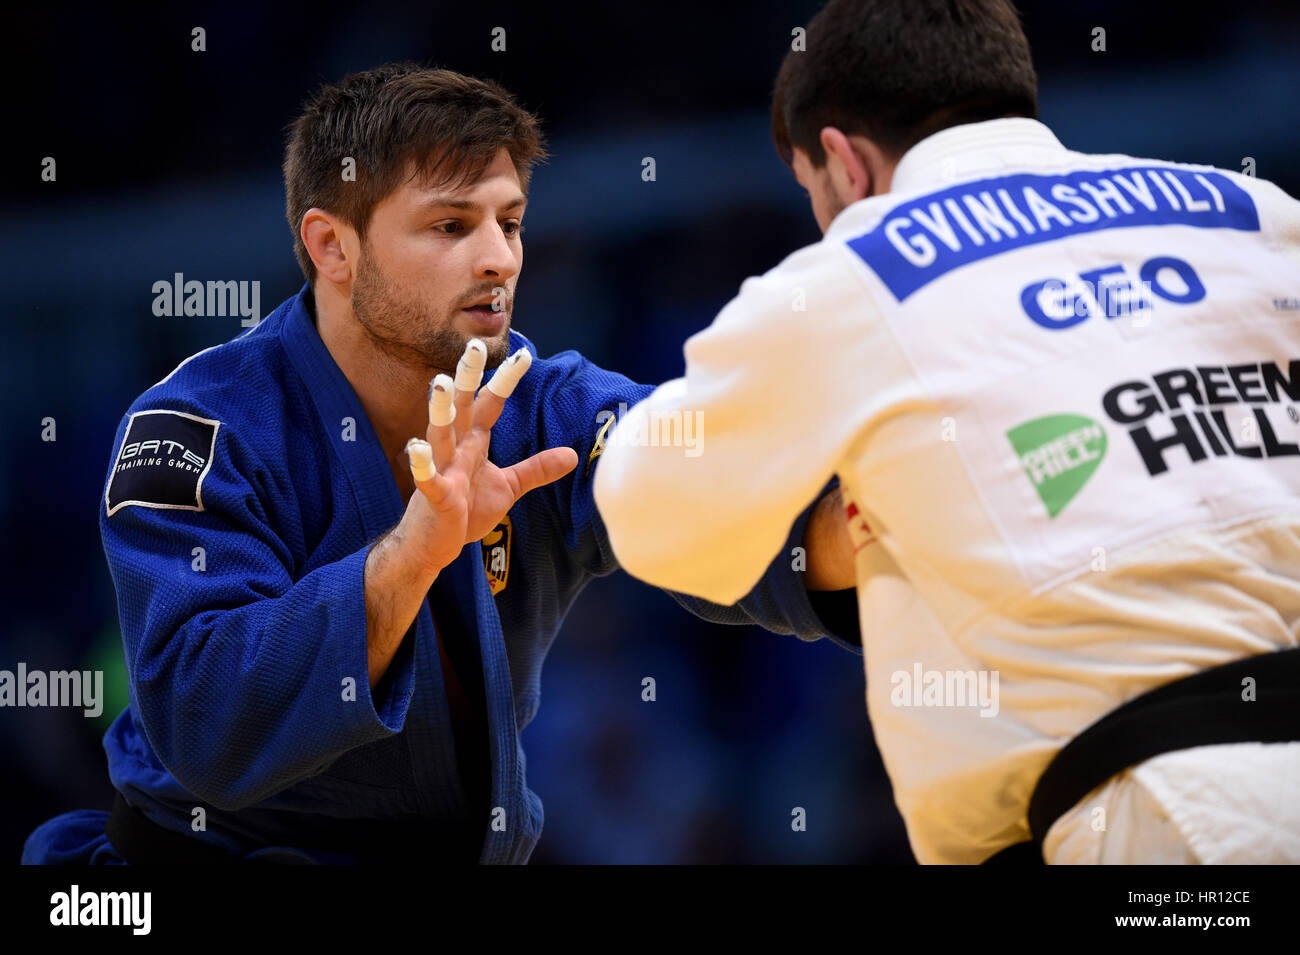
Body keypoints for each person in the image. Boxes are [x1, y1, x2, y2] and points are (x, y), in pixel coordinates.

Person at [21, 63, 858, 865]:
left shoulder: (534, 400)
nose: (499, 257)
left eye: (511, 220)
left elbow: (689, 480)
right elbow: (204, 717)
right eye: (452, 225)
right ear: (332, 246)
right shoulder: (197, 429)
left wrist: (855, 516)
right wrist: (410, 556)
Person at [593, 0, 1300, 864]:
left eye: (815, 195)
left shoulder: (855, 272)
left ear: (844, 166)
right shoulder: (1251, 213)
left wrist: (838, 520)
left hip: (1180, 829)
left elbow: (645, 510)